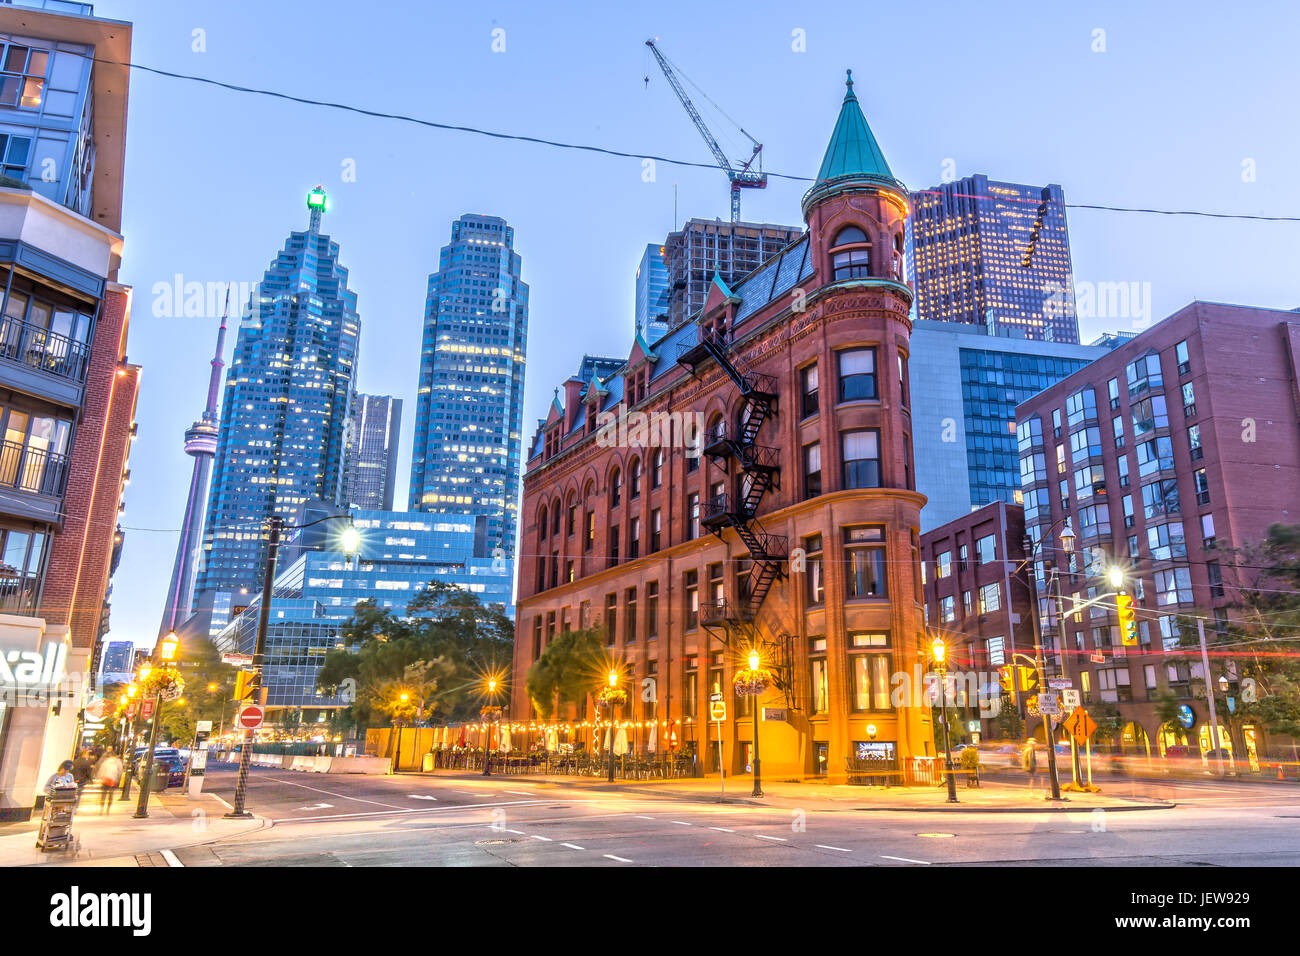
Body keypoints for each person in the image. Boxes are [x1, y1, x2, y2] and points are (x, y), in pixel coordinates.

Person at [94, 748, 124, 814]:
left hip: (105, 779)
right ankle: (108, 809)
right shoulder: (118, 762)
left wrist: (99, 778)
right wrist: (118, 779)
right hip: (113, 780)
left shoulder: (106, 761)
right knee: (111, 795)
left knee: (103, 795)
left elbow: (102, 770)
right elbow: (120, 771)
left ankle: (101, 809)